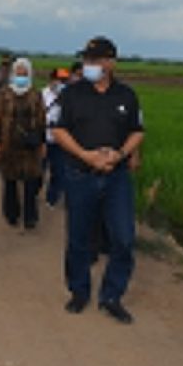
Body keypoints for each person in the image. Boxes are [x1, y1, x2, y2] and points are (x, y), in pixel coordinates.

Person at [52, 36, 145, 324]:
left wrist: (120, 154)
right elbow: (58, 130)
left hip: (115, 177)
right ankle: (79, 292)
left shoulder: (126, 96)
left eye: (94, 60)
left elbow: (137, 130)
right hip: (80, 174)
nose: (88, 65)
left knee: (123, 238)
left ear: (110, 62)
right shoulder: (71, 94)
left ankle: (111, 296)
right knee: (79, 238)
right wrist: (86, 155)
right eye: (86, 60)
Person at [0, 57, 47, 231]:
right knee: (10, 182)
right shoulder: (4, 94)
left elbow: (41, 120)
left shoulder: (36, 95)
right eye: (18, 73)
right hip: (8, 143)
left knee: (31, 183)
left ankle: (30, 217)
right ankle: (11, 214)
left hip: (30, 146)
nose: (21, 77)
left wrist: (43, 142)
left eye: (24, 74)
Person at [41, 66, 70, 207]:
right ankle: (33, 192)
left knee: (59, 171)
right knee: (38, 170)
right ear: (52, 80)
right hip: (43, 139)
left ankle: (52, 197)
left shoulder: (69, 97)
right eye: (59, 80)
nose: (62, 83)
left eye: (65, 80)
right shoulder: (41, 95)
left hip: (60, 141)